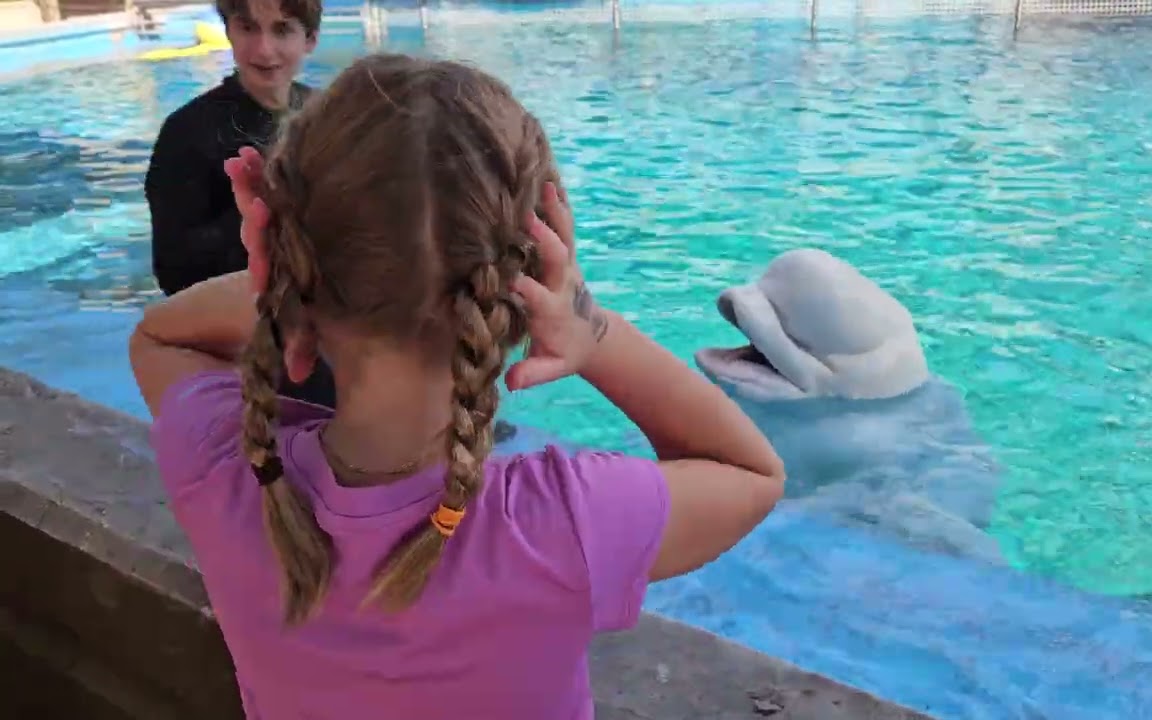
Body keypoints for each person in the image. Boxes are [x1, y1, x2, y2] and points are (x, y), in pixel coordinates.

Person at [128, 55, 785, 719]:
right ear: (529, 275)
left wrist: (277, 285)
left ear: (292, 258)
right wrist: (589, 328)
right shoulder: (563, 525)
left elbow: (161, 336)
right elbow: (749, 472)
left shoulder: (221, 472)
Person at [143, 0, 334, 407]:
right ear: (228, 30)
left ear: (311, 40)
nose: (263, 50)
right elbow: (174, 271)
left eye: (282, 30)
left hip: (332, 324)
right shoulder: (188, 134)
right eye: (248, 27)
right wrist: (263, 221)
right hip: (255, 338)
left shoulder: (332, 117)